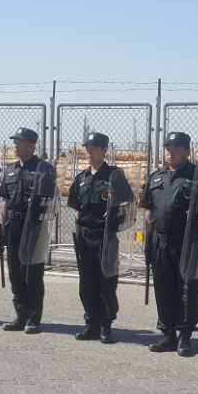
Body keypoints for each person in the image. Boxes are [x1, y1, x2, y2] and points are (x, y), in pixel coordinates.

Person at [140, 132, 198, 357]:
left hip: (188, 243)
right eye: (167, 147)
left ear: (186, 150)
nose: (170, 152)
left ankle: (185, 336)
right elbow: (149, 211)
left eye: (175, 147)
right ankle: (168, 334)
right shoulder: (156, 177)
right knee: (163, 287)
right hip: (161, 241)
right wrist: (148, 240)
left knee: (188, 290)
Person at [67, 131, 134, 343]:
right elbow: (74, 205)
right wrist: (80, 220)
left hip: (105, 237)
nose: (89, 151)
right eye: (87, 147)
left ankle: (106, 325)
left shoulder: (114, 176)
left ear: (104, 150)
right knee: (86, 283)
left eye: (94, 147)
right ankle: (91, 324)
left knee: (106, 282)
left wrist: (114, 217)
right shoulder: (82, 178)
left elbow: (128, 205)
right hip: (85, 237)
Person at [0, 127, 55, 334]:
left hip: (33, 226)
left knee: (32, 274)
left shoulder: (43, 169)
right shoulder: (10, 169)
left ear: (31, 145)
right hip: (13, 225)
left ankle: (33, 318)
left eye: (18, 142)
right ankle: (20, 315)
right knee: (15, 273)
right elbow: (5, 199)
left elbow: (47, 200)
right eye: (15, 142)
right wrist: (3, 223)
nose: (15, 145)